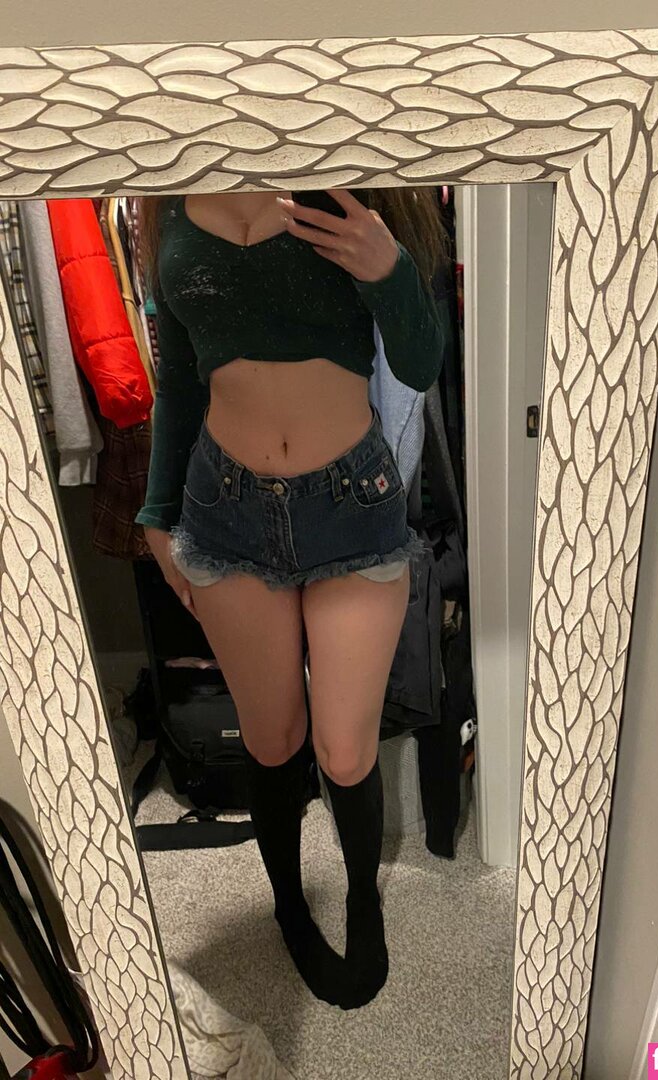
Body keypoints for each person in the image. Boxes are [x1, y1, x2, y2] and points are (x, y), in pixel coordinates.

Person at [133, 186, 449, 1009]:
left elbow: (422, 364)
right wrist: (157, 512)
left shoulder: (345, 176)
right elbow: (179, 378)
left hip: (352, 502)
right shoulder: (166, 185)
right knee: (272, 742)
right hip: (223, 504)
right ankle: (287, 905)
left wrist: (389, 270)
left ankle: (363, 899)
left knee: (345, 753)